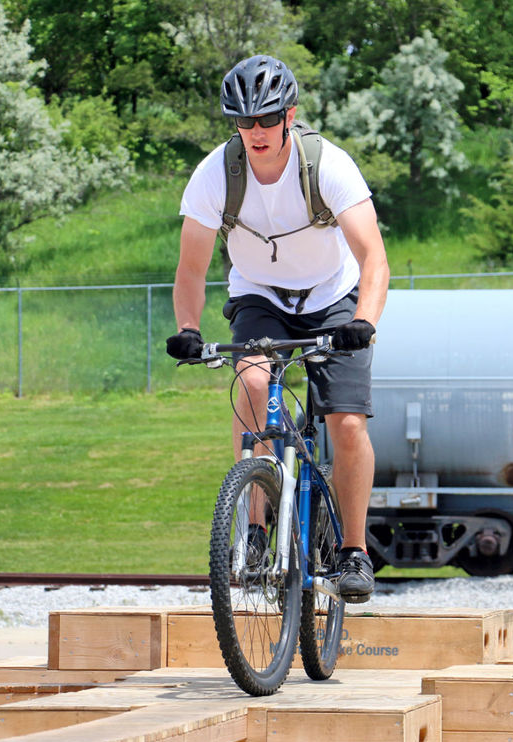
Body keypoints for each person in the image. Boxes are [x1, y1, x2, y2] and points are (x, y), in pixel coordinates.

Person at [166, 54, 389, 604]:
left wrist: (363, 321)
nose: (256, 133)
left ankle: (354, 552)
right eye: (245, 123)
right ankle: (258, 528)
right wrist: (189, 328)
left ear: (290, 116)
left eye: (267, 120)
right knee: (251, 381)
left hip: (333, 297)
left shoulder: (328, 166)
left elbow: (374, 258)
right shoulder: (215, 175)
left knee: (346, 422)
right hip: (259, 295)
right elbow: (191, 269)